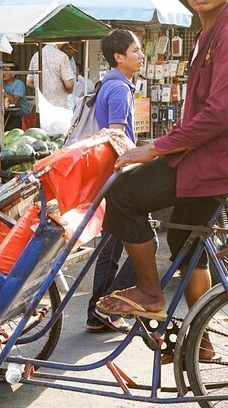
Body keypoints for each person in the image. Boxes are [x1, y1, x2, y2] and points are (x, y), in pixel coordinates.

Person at [95, 0, 228, 363]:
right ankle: (201, 340)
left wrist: (154, 148)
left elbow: (218, 116)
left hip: (216, 162)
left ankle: (150, 292)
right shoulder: (213, 29)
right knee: (187, 246)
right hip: (212, 158)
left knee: (122, 195)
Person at [86, 29, 145, 333]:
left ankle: (97, 313)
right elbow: (116, 136)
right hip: (121, 175)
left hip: (111, 174)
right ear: (119, 57)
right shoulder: (120, 89)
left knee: (111, 246)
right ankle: (110, 303)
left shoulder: (108, 84)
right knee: (145, 243)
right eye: (135, 51)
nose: (141, 55)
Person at [26, 43, 75, 109]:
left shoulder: (36, 55)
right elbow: (69, 85)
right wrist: (69, 91)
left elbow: (28, 83)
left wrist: (43, 88)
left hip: (42, 106)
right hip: (59, 105)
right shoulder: (62, 56)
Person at [0, 63, 29, 130]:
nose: (2, 73)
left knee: (6, 130)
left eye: (6, 71)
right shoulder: (2, 84)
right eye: (2, 70)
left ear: (13, 74)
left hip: (22, 117)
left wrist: (1, 90)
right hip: (10, 116)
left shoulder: (19, 84)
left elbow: (14, 102)